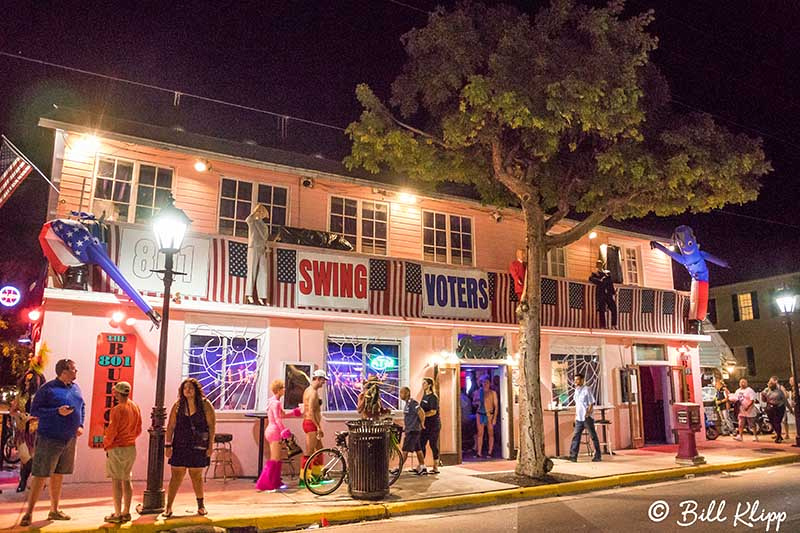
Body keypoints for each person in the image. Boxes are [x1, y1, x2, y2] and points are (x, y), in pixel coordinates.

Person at [19, 359, 85, 527]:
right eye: (73, 369)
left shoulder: (76, 388)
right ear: (64, 371)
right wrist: (57, 412)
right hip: (49, 438)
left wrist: (81, 424)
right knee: (40, 475)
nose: (76, 372)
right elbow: (35, 411)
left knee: (58, 474)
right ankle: (28, 513)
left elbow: (82, 406)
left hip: (69, 438)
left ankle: (54, 509)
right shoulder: (47, 389)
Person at [164, 378, 216, 518]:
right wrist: (168, 445)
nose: (188, 390)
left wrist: (210, 446)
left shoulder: (205, 405)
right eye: (185, 388)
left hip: (198, 445)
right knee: (176, 476)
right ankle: (168, 506)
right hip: (180, 444)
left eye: (190, 387)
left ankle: (201, 505)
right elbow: (170, 427)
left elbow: (212, 426)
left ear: (196, 390)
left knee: (196, 476)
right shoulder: (178, 405)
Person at [103, 381, 142, 523]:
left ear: (118, 393)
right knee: (127, 479)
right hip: (131, 447)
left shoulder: (117, 409)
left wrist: (106, 444)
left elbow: (112, 431)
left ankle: (118, 514)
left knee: (116, 481)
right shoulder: (135, 406)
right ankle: (126, 511)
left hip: (117, 448)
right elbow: (138, 429)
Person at [256, 379, 302, 492]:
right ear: (279, 390)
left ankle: (274, 481)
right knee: (275, 458)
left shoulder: (273, 401)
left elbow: (282, 415)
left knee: (277, 458)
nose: (285, 390)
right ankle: (267, 483)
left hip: (273, 430)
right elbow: (277, 419)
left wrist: (295, 412)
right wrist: (284, 431)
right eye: (283, 388)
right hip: (274, 431)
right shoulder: (276, 403)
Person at [10, 368, 45, 492]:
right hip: (22, 431)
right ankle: (32, 478)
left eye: (29, 382)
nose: (26, 384)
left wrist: (35, 417)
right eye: (25, 381)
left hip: (36, 431)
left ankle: (24, 482)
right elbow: (12, 411)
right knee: (25, 458)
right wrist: (20, 415)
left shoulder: (42, 396)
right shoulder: (20, 394)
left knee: (33, 457)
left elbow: (47, 412)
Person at [301, 370, 327, 486]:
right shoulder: (313, 392)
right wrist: (318, 427)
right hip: (311, 424)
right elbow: (311, 411)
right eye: (322, 380)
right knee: (309, 452)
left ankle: (317, 476)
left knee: (320, 450)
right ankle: (304, 479)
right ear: (318, 379)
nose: (323, 383)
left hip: (310, 423)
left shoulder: (309, 390)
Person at [569, 373, 601, 463]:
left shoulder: (587, 389)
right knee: (576, 437)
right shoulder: (576, 391)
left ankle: (598, 455)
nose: (576, 382)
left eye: (578, 380)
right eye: (575, 380)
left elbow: (591, 403)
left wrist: (587, 414)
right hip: (579, 418)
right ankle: (573, 456)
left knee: (593, 436)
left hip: (587, 418)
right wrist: (575, 416)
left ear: (582, 380)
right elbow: (577, 405)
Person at [245, 203, 270, 305]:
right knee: (252, 270)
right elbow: (248, 220)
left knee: (263, 272)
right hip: (254, 247)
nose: (261, 213)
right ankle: (249, 294)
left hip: (262, 249)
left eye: (262, 212)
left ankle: (262, 296)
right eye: (260, 211)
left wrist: (266, 247)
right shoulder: (252, 221)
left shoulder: (264, 226)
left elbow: (265, 239)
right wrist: (254, 212)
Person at [399, 387, 427, 475]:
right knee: (418, 448)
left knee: (405, 450)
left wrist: (422, 423)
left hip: (413, 430)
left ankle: (399, 468)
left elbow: (421, 412)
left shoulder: (413, 403)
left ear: (407, 393)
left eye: (402, 393)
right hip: (409, 429)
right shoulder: (407, 404)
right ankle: (422, 466)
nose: (400, 395)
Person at [419, 377, 441, 474]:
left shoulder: (433, 397)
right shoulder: (424, 396)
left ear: (429, 385)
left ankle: (435, 466)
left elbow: (433, 411)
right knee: (421, 443)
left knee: (433, 444)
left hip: (433, 425)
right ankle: (422, 465)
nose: (423, 385)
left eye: (424, 383)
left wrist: (423, 415)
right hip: (425, 425)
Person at [472, 377, 497, 458]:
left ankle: (490, 451)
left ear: (490, 383)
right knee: (480, 434)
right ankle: (479, 452)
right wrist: (476, 402)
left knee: (490, 433)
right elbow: (473, 402)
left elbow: (496, 406)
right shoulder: (478, 392)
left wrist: (495, 418)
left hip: (489, 414)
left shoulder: (493, 393)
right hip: (480, 414)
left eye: (487, 382)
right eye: (483, 382)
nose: (485, 384)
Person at [589, 259, 618, 329]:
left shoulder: (607, 273)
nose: (599, 265)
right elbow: (591, 279)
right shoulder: (595, 274)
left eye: (600, 264)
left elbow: (610, 284)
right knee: (602, 310)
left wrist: (613, 292)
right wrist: (601, 281)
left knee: (614, 308)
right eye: (598, 264)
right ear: (596, 265)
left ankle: (614, 324)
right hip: (601, 293)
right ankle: (603, 325)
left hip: (608, 293)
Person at [761, 376, 787, 444]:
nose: (769, 385)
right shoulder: (766, 390)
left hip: (779, 408)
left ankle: (778, 436)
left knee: (777, 422)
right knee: (772, 422)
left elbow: (784, 400)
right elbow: (764, 400)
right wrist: (763, 396)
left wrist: (789, 409)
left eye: (771, 384)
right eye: (769, 384)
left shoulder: (779, 391)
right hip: (770, 408)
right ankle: (778, 434)